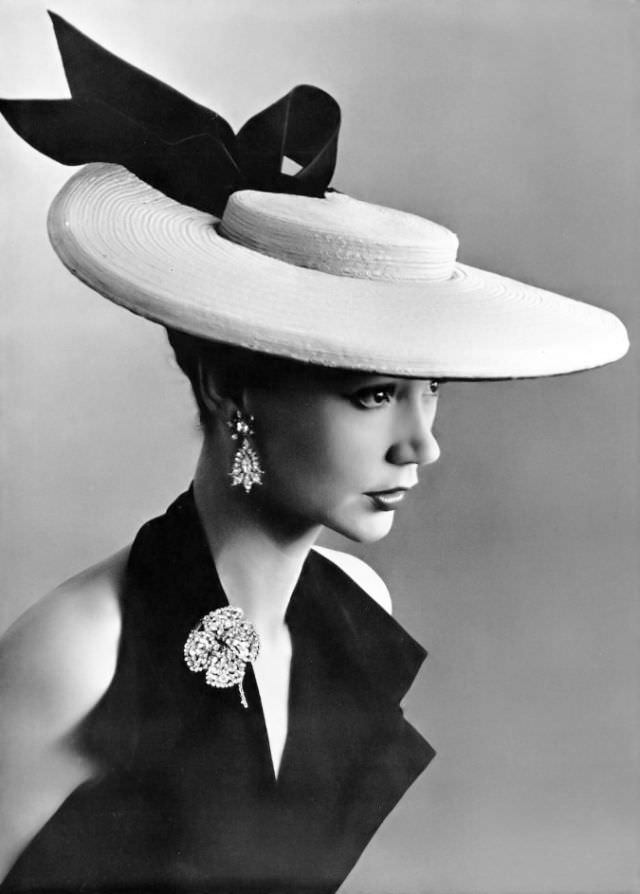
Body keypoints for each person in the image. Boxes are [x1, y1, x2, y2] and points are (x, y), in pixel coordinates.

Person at [0, 13, 629, 894]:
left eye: (430, 390)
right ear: (231, 390)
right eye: (373, 396)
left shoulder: (349, 613)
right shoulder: (78, 652)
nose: (424, 445)